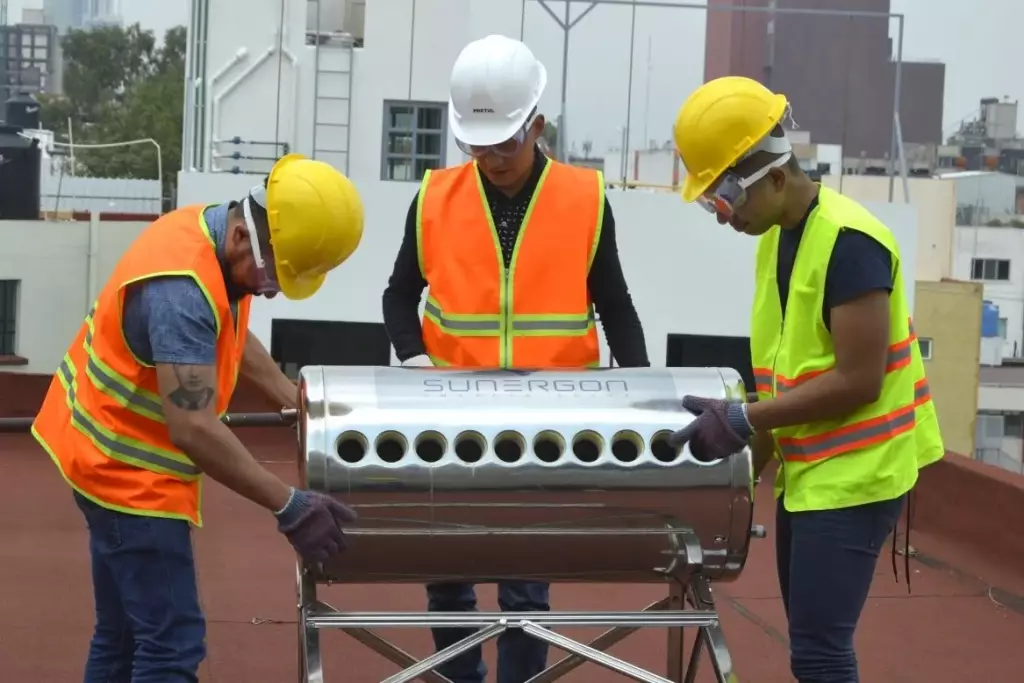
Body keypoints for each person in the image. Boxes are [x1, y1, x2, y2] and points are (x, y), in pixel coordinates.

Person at [31, 153, 365, 683]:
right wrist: (289, 504)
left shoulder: (208, 233)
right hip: (126, 478)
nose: (274, 290)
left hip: (96, 447)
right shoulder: (180, 294)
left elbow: (229, 326)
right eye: (275, 275)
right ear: (242, 237)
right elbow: (193, 426)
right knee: (171, 646)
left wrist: (292, 397)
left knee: (120, 638)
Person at [381, 34, 649, 683]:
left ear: (537, 124)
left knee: (525, 591)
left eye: (505, 141)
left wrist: (645, 396)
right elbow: (398, 295)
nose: (492, 156)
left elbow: (615, 303)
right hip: (451, 421)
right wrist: (416, 360)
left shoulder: (584, 198)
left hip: (546, 425)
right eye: (479, 143)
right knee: (447, 584)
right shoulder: (436, 196)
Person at [668, 76, 945, 683]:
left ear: (772, 176)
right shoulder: (779, 240)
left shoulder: (851, 244)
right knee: (811, 646)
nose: (722, 218)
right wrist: (737, 480)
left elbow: (860, 381)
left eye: (724, 200)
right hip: (813, 473)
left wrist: (741, 419)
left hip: (859, 475)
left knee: (820, 651)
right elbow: (786, 379)